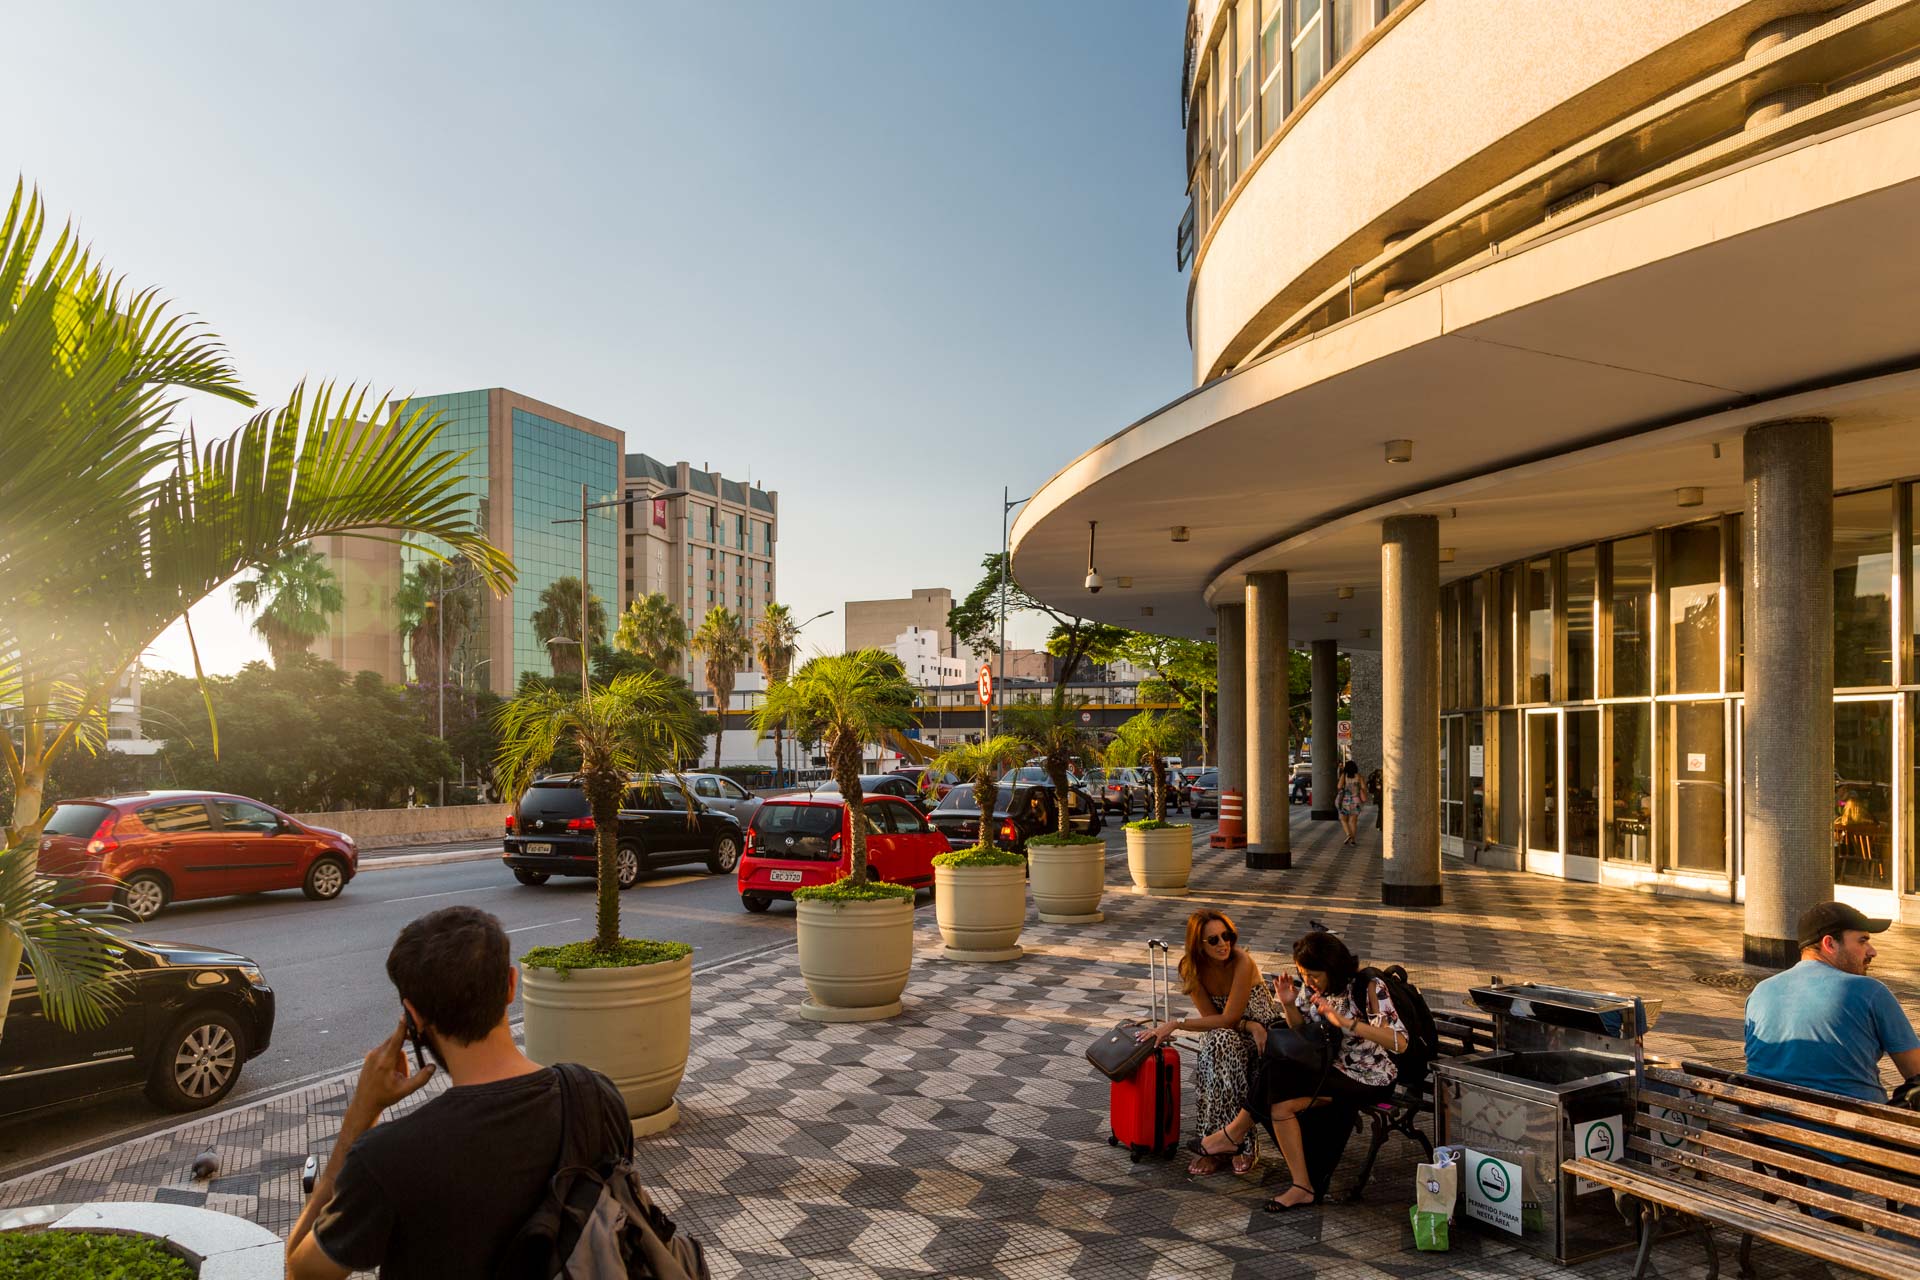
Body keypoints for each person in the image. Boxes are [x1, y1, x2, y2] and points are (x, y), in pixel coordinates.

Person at [286, 907, 631, 1279]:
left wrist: (359, 1119)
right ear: (511, 985)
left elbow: (301, 1272)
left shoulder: (387, 1158)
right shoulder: (595, 1098)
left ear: (413, 1018)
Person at [1190, 929, 1408, 1212]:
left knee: (1275, 1075)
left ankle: (1232, 1134)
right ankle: (1302, 1186)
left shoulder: (1368, 986)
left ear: (1333, 967)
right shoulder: (1313, 987)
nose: (1308, 981)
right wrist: (1289, 1004)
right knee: (1279, 1102)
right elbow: (1302, 1034)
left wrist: (1344, 1021)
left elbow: (1400, 1043)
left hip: (1371, 1075)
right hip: (1329, 1068)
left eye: (1314, 975)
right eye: (1303, 973)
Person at [1136, 910, 1277, 1176]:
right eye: (1213, 940)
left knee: (1219, 1045)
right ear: (1198, 944)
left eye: (1227, 936)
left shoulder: (1242, 961)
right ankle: (1234, 1144)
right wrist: (1246, 1025)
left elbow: (1230, 1016)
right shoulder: (1191, 967)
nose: (1223, 944)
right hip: (1233, 1033)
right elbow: (1216, 1020)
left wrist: (1175, 1023)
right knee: (1220, 1043)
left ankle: (1215, 1142)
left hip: (1264, 1036)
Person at [1745, 901, 1920, 1103]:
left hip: (1763, 1129)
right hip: (1850, 1131)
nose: (1872, 951)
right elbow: (1915, 1072)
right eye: (1862, 941)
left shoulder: (1760, 991)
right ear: (1829, 944)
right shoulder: (1869, 991)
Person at [1335, 761, 1367, 846]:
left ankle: (1348, 834)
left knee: (1343, 819)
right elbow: (1363, 787)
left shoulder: (1344, 776)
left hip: (1346, 801)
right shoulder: (1359, 776)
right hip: (1356, 801)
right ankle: (1353, 840)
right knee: (1353, 821)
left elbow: (1339, 786)